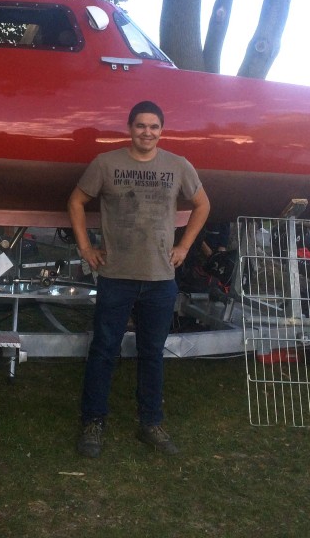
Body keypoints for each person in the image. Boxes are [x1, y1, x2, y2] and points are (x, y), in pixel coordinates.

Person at [68, 100, 210, 458]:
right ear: (129, 128)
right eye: (141, 126)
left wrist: (184, 247)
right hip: (116, 275)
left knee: (152, 353)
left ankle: (151, 423)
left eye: (154, 127)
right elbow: (76, 201)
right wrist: (86, 247)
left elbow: (203, 204)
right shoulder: (106, 164)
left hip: (161, 279)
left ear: (162, 131)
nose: (147, 132)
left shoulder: (178, 166)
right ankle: (93, 421)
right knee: (103, 351)